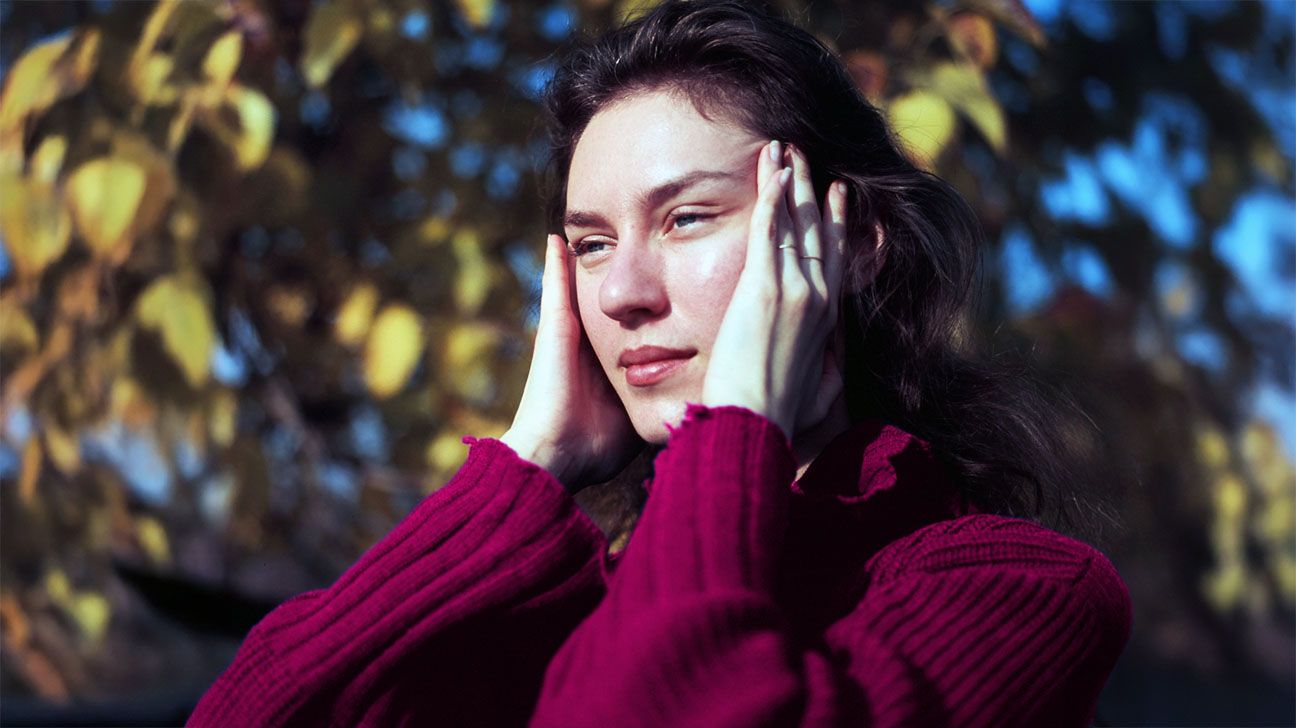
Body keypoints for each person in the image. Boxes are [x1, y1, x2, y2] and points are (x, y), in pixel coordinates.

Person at [188, 1, 1132, 726]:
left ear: (854, 243)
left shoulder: (1012, 592)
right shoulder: (563, 601)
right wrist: (521, 474)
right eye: (591, 243)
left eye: (685, 218)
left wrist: (738, 424)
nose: (621, 292)